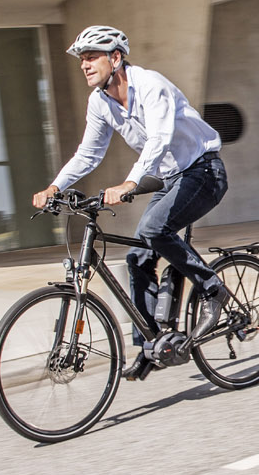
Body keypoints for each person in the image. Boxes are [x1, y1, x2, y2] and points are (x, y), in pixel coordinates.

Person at [32, 25, 230, 381]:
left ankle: (213, 289)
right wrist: (54, 186)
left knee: (155, 229)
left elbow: (159, 138)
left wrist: (129, 183)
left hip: (203, 171)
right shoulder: (100, 101)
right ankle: (152, 344)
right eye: (82, 59)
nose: (84, 65)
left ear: (116, 58)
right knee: (138, 256)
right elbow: (88, 153)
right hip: (171, 178)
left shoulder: (151, 85)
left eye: (91, 57)